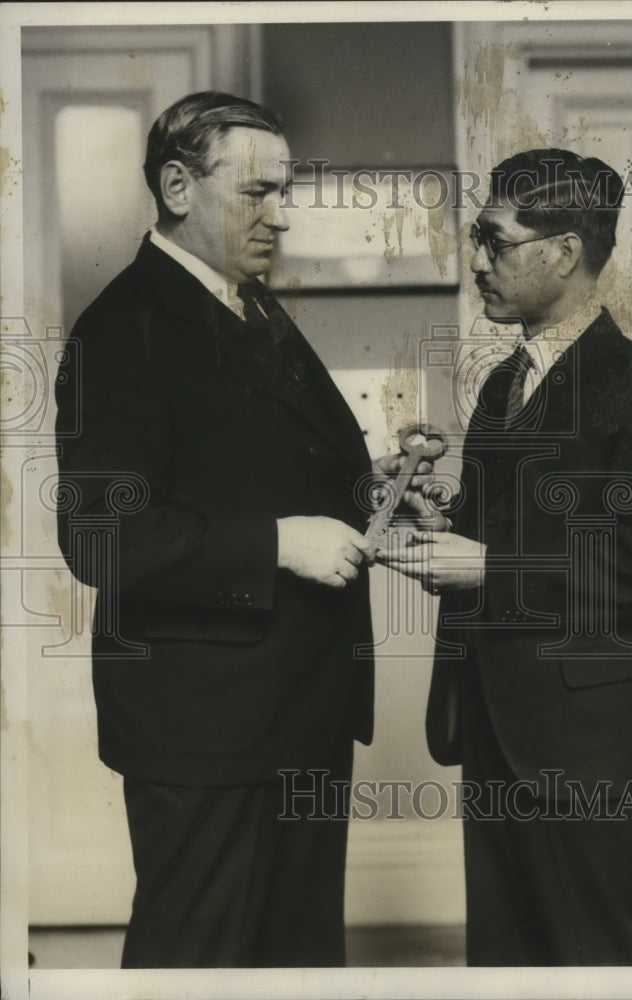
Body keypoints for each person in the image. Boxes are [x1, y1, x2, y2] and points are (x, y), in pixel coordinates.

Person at [54, 90, 424, 969]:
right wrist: (280, 543)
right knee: (198, 967)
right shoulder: (125, 328)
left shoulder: (245, 304)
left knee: (292, 966)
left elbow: (246, 466)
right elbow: (101, 532)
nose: (280, 216)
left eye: (284, 191)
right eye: (257, 192)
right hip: (208, 733)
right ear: (178, 187)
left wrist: (366, 488)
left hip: (294, 713)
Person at [382, 149, 632, 966]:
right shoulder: (504, 387)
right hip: (495, 731)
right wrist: (439, 514)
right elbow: (512, 528)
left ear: (563, 252)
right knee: (507, 964)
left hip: (587, 749)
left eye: (495, 240)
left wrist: (490, 569)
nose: (476, 261)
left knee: (603, 965)